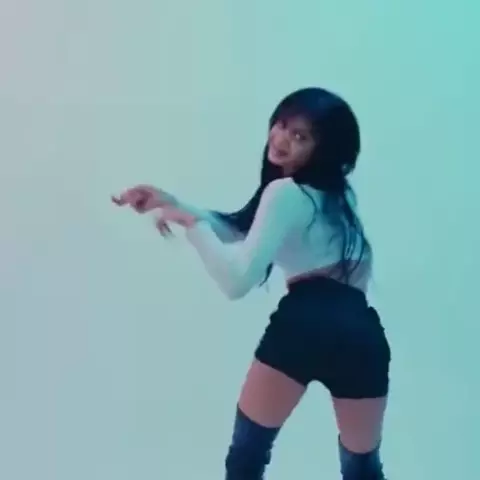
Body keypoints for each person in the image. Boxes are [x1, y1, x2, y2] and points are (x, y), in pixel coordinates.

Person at [112, 87, 391, 479]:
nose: (281, 138)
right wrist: (170, 202)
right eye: (282, 124)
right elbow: (242, 229)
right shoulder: (337, 201)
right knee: (362, 468)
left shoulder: (285, 193)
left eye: (300, 136)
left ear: (324, 150)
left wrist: (192, 227)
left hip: (305, 324)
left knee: (247, 455)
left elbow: (236, 282)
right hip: (362, 335)